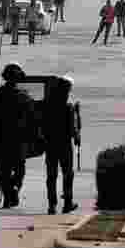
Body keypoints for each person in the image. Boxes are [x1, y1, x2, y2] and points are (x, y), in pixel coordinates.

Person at [0, 61, 33, 208]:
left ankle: (9, 194)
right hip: (19, 139)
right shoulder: (24, 97)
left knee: (4, 171)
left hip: (2, 138)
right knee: (19, 169)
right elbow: (32, 118)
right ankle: (13, 190)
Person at [43, 75, 80, 215]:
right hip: (64, 146)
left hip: (51, 145)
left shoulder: (48, 106)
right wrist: (76, 134)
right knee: (67, 174)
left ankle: (52, 205)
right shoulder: (67, 107)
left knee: (51, 176)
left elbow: (43, 125)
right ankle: (67, 203)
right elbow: (72, 130)